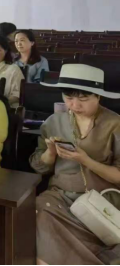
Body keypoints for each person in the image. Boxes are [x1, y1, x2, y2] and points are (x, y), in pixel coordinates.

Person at [30, 64, 120, 266]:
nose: (75, 105)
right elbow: (39, 167)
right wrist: (50, 153)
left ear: (98, 96)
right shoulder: (53, 121)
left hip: (100, 198)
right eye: (68, 98)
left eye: (84, 99)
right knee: (34, 215)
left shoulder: (115, 124)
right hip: (59, 195)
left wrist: (85, 160)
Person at [0, 34, 25, 108]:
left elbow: (17, 95)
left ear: (6, 51)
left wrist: (0, 103)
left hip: (6, 108)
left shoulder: (13, 69)